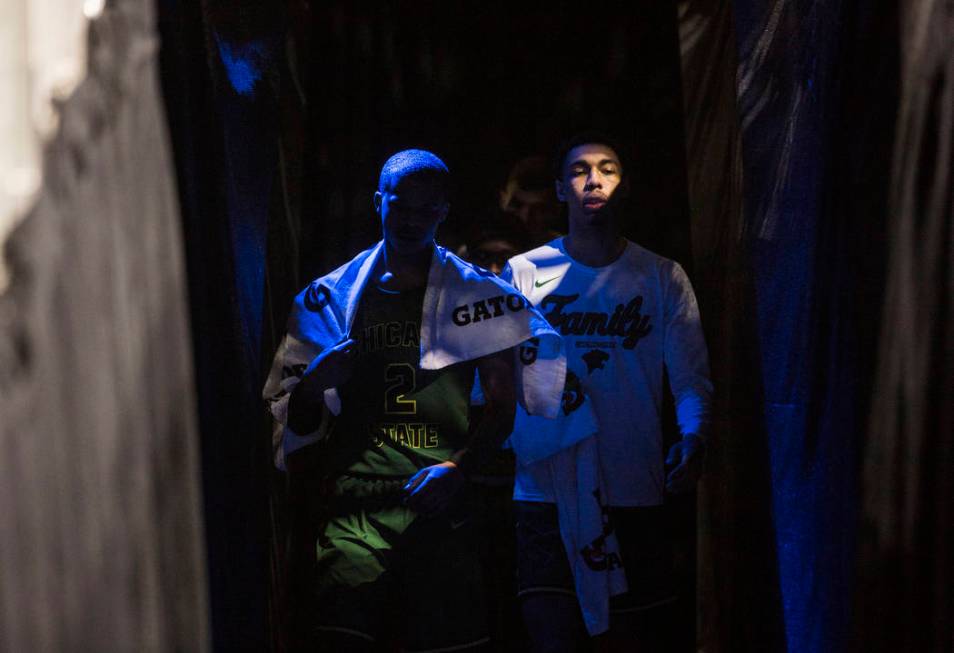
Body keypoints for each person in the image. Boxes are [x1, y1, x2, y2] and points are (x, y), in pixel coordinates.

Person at [263, 149, 564, 652]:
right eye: (401, 205)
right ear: (378, 201)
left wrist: (460, 468)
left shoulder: (476, 297)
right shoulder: (330, 299)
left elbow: (502, 406)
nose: (411, 220)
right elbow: (289, 415)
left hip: (440, 511)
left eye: (427, 210)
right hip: (354, 513)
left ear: (443, 212)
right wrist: (315, 383)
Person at [503, 132, 713, 651]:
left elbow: (690, 378)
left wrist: (694, 435)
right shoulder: (525, 272)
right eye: (579, 170)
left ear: (625, 185)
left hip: (632, 486)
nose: (593, 179)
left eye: (608, 168)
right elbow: (498, 380)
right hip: (546, 491)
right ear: (559, 188)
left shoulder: (662, 276)